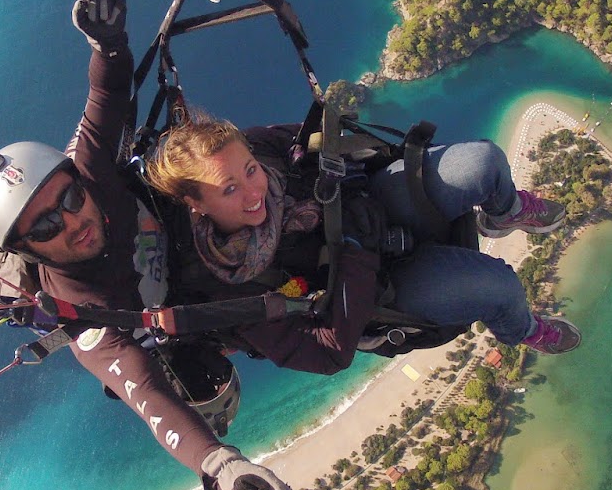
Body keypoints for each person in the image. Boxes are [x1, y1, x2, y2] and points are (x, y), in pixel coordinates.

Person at [0, 0, 291, 490]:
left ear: (77, 181)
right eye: (46, 226)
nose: (71, 220)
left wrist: (108, 44)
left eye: (68, 199)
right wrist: (222, 466)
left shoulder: (94, 175)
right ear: (26, 249)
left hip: (188, 257)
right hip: (180, 300)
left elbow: (107, 96)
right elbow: (144, 392)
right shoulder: (85, 320)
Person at [143, 114, 580, 373]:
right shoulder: (227, 289)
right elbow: (327, 355)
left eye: (251, 171)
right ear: (196, 204)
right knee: (501, 289)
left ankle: (503, 212)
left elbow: (316, 137)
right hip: (378, 289)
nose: (253, 192)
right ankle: (523, 330)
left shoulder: (258, 146)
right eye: (229, 190)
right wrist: (355, 248)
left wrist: (345, 158)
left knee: (485, 161)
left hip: (372, 202)